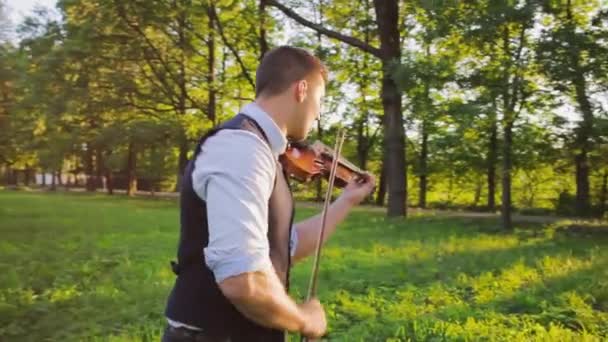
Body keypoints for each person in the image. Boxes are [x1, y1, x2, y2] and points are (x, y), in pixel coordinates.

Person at [162, 45, 376, 342]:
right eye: (320, 100)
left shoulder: (262, 151)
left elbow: (283, 246)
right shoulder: (242, 149)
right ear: (302, 89)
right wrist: (304, 319)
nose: (318, 114)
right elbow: (242, 281)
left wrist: (346, 200)